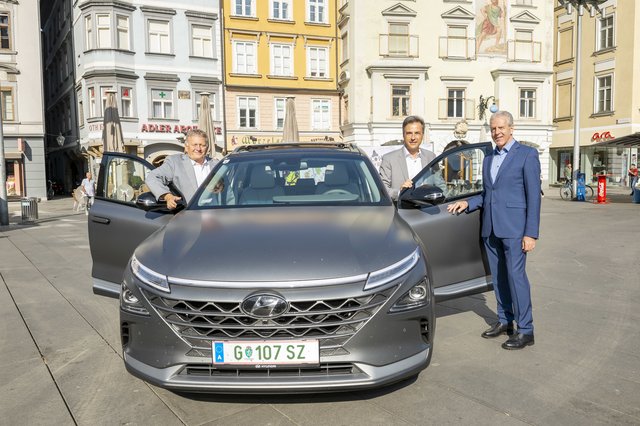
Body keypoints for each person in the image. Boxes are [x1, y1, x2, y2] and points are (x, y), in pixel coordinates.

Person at [447, 111, 541, 350]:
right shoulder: (489, 157)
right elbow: (489, 193)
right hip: (491, 227)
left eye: (501, 128)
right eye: (493, 129)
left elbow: (534, 197)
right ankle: (505, 320)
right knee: (498, 278)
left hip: (515, 229)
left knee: (516, 277)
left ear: (511, 128)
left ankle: (526, 329)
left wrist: (531, 233)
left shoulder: (527, 155)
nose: (497, 133)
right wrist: (469, 203)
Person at [146, 129, 216, 210]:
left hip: (215, 215)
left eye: (202, 145)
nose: (198, 148)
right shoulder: (174, 162)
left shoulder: (216, 164)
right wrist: (167, 196)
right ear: (186, 146)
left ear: (207, 147)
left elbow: (228, 194)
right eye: (195, 144)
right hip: (187, 216)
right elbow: (152, 177)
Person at [379, 116, 435, 200]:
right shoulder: (389, 159)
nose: (413, 138)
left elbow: (440, 185)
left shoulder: (431, 157)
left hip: (428, 209)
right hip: (400, 210)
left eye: (417, 133)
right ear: (403, 135)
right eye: (409, 133)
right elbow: (381, 189)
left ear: (422, 135)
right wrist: (399, 192)